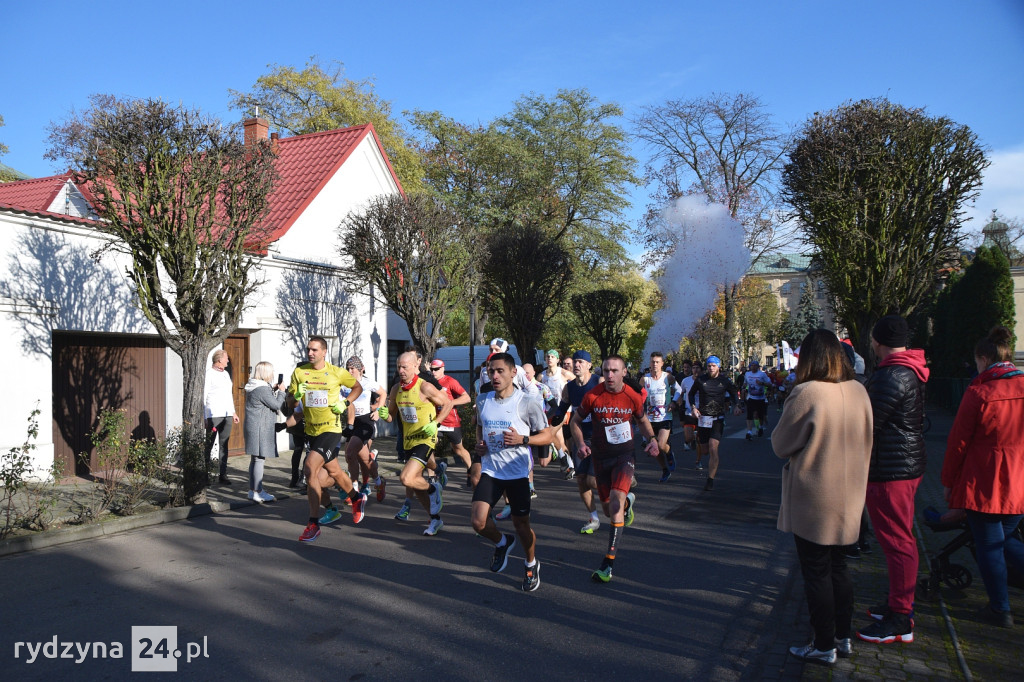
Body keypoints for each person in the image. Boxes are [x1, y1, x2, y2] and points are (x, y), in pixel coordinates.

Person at [772, 330, 873, 666]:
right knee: (840, 568)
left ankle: (823, 643)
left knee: (816, 573)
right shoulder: (859, 390)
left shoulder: (807, 392)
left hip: (815, 497)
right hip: (851, 493)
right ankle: (842, 637)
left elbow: (780, 445)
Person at [941, 326, 1024, 628]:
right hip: (1020, 484)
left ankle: (1000, 609)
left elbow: (957, 443)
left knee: (990, 545)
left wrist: (949, 484)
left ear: (983, 357)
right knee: (1006, 541)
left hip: (986, 484)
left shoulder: (980, 392)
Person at [857, 315, 929, 644]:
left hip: (891, 469)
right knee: (897, 540)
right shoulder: (906, 369)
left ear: (878, 341)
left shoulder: (891, 375)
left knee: (898, 542)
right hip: (900, 464)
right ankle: (898, 604)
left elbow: (868, 423)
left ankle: (901, 617)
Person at [571, 355, 660, 582]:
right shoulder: (593, 395)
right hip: (601, 458)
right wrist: (581, 443)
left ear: (624, 373)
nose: (609, 375)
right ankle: (629, 500)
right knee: (610, 511)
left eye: (614, 371)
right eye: (606, 370)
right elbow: (575, 421)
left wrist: (652, 439)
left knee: (616, 502)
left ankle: (608, 563)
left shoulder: (632, 395)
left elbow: (641, 419)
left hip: (624, 456)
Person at [472, 353, 555, 591]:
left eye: (500, 371)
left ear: (513, 373)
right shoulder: (483, 400)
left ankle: (531, 563)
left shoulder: (527, 401)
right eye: (491, 371)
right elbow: (480, 425)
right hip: (491, 469)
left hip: (517, 473)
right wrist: (480, 445)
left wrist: (524, 439)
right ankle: (502, 542)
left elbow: (547, 434)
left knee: (522, 526)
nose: (495, 376)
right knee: (478, 522)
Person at [288, 336, 367, 543]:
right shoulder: (299, 372)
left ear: (324, 352)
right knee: (334, 471)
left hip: (331, 430)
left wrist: (345, 402)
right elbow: (290, 402)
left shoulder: (336, 372)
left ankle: (313, 524)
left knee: (309, 468)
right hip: (312, 431)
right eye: (308, 350)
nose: (310, 353)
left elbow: (357, 387)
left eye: (314, 350)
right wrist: (296, 395)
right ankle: (356, 498)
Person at [381, 351, 454, 536]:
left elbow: (447, 404)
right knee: (414, 483)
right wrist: (384, 415)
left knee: (406, 478)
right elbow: (391, 416)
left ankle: (433, 487)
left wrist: (435, 424)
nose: (401, 370)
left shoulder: (425, 387)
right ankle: (435, 519)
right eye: (399, 367)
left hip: (425, 438)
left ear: (416, 366)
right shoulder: (396, 389)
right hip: (408, 440)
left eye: (405, 367)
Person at [557, 350, 604, 533]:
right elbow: (563, 407)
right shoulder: (569, 387)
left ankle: (620, 493)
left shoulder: (598, 382)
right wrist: (557, 417)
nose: (576, 365)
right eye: (575, 362)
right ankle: (593, 518)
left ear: (589, 365)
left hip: (600, 438)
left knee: (593, 481)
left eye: (580, 362)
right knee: (582, 480)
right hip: (579, 439)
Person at [689, 356, 741, 491]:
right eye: (709, 366)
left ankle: (710, 479)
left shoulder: (724, 381)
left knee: (713, 447)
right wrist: (694, 408)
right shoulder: (701, 380)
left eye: (713, 365)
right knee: (705, 450)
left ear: (719, 366)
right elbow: (691, 394)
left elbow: (734, 393)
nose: (711, 368)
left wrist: (737, 405)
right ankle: (697, 439)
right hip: (703, 419)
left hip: (718, 418)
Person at [341, 356, 387, 504]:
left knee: (349, 452)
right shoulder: (344, 384)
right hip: (352, 422)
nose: (350, 371)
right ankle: (379, 482)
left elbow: (383, 393)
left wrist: (378, 410)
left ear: (360, 369)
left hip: (366, 421)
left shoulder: (367, 382)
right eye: (348, 368)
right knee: (362, 459)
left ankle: (354, 490)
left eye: (352, 368)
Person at [243, 361, 287, 503]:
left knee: (255, 459)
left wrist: (273, 390)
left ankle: (253, 490)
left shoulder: (255, 386)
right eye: (271, 371)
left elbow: (263, 400)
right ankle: (257, 491)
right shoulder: (262, 389)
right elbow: (276, 404)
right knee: (259, 459)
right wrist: (281, 392)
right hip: (260, 427)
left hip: (254, 425)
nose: (273, 374)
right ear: (266, 373)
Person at [429, 358, 473, 476]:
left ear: (443, 368)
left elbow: (467, 398)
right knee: (429, 448)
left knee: (458, 449)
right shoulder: (429, 382)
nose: (433, 372)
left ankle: (471, 471)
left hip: (450, 422)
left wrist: (451, 403)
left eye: (436, 369)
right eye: (432, 369)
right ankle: (432, 477)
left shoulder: (450, 381)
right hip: (435, 421)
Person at [204, 349, 238, 485]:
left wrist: (233, 412)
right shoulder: (209, 374)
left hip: (227, 415)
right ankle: (204, 475)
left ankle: (223, 474)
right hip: (213, 415)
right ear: (219, 360)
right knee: (209, 445)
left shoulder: (226, 374)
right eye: (226, 359)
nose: (228, 361)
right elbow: (204, 396)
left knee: (224, 445)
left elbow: (228, 395)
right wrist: (205, 417)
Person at [643, 351, 677, 482]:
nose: (655, 364)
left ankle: (669, 453)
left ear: (662, 363)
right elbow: (637, 395)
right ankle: (664, 469)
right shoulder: (645, 379)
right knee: (654, 448)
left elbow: (678, 389)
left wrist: (674, 402)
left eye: (657, 362)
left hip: (665, 417)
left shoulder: (667, 377)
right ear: (650, 364)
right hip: (650, 419)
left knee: (661, 445)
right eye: (652, 362)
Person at [540, 349, 575, 470]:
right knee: (559, 439)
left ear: (557, 360)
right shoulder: (542, 376)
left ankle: (567, 463)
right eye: (547, 356)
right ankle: (569, 465)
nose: (549, 358)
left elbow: (578, 384)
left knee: (556, 437)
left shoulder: (564, 374)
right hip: (548, 411)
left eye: (552, 357)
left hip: (563, 410)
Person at [743, 360, 772, 439]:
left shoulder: (762, 374)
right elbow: (745, 383)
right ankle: (749, 432)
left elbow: (770, 384)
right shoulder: (747, 374)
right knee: (749, 415)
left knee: (759, 415)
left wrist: (762, 383)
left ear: (758, 367)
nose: (753, 367)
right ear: (750, 367)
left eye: (755, 365)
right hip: (751, 397)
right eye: (752, 365)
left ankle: (761, 427)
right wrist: (744, 387)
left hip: (760, 398)